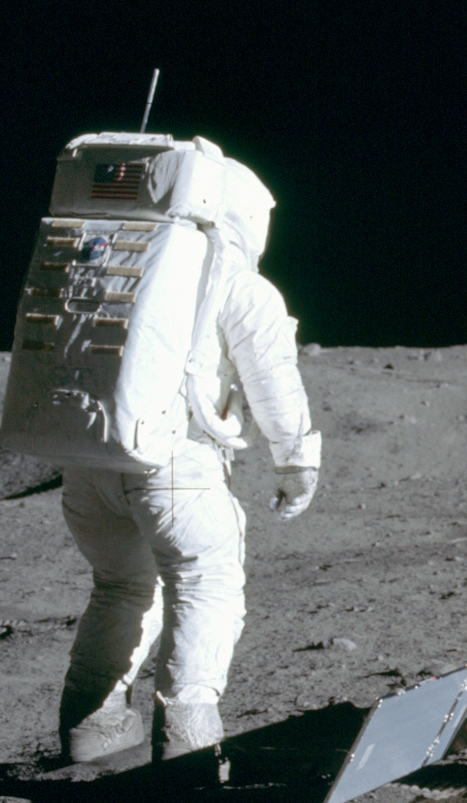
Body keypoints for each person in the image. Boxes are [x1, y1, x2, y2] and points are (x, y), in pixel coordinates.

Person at [57, 157, 322, 763]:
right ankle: (188, 741)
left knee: (121, 587)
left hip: (90, 463)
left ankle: (89, 728)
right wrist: (296, 462)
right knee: (206, 584)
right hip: (175, 465)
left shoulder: (110, 260)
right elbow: (272, 378)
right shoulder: (232, 278)